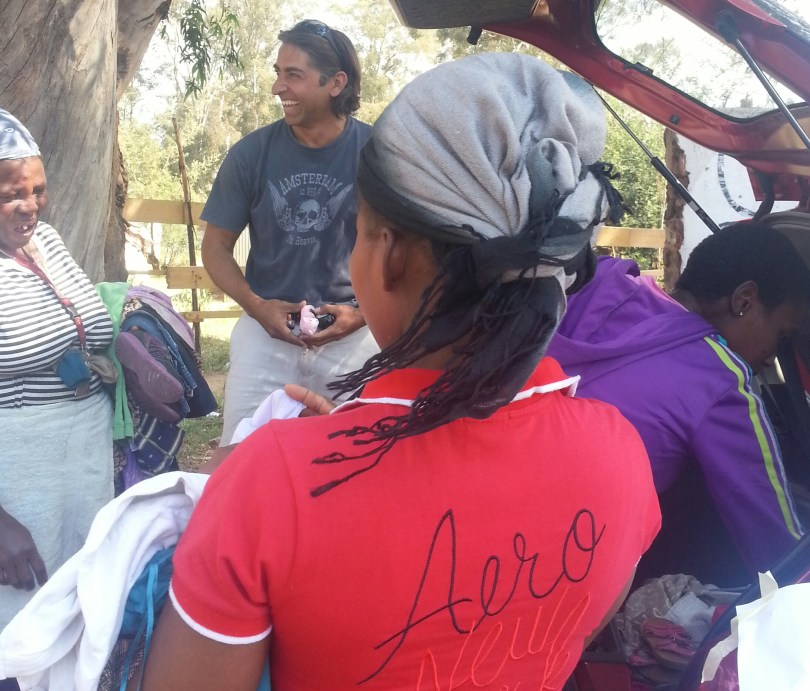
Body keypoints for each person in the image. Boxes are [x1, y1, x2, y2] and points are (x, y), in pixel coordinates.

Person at [141, 53, 660, 690]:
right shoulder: (619, 449)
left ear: (389, 254)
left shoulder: (272, 483)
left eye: (359, 231)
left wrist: (262, 483)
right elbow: (584, 623)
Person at [546, 223, 810, 585]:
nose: (770, 358)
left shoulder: (600, 280)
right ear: (744, 300)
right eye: (781, 336)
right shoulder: (721, 377)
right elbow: (776, 544)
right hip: (552, 564)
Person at [200, 19, 379, 445]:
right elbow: (216, 247)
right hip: (264, 336)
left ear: (336, 83)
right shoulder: (250, 154)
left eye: (293, 75)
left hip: (355, 338)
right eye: (278, 72)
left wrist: (364, 315)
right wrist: (256, 305)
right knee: (242, 454)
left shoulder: (378, 155)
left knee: (357, 456)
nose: (277, 87)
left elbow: (410, 250)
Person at [0, 110, 114, 668]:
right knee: (19, 633)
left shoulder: (44, 240)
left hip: (80, 466)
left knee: (77, 618)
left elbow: (89, 323)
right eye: (11, 195)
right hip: (17, 481)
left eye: (38, 191)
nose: (31, 206)